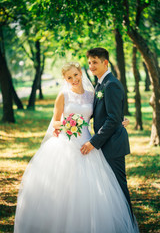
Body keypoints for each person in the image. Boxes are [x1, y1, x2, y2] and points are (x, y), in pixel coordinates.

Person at [14, 62, 139, 233]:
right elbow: (55, 122)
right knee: (64, 185)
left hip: (88, 144)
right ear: (65, 79)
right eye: (69, 77)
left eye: (75, 75)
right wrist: (68, 124)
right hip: (66, 144)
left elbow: (105, 114)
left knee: (91, 188)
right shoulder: (63, 95)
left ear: (81, 73)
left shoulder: (92, 95)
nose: (74, 79)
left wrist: (121, 120)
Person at [80, 47, 133, 215]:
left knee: (119, 186)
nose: (91, 66)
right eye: (89, 63)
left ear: (105, 63)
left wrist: (93, 142)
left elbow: (112, 118)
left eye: (95, 62)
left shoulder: (111, 85)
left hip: (113, 144)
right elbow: (112, 113)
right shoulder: (101, 83)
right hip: (107, 142)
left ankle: (128, 223)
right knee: (111, 189)